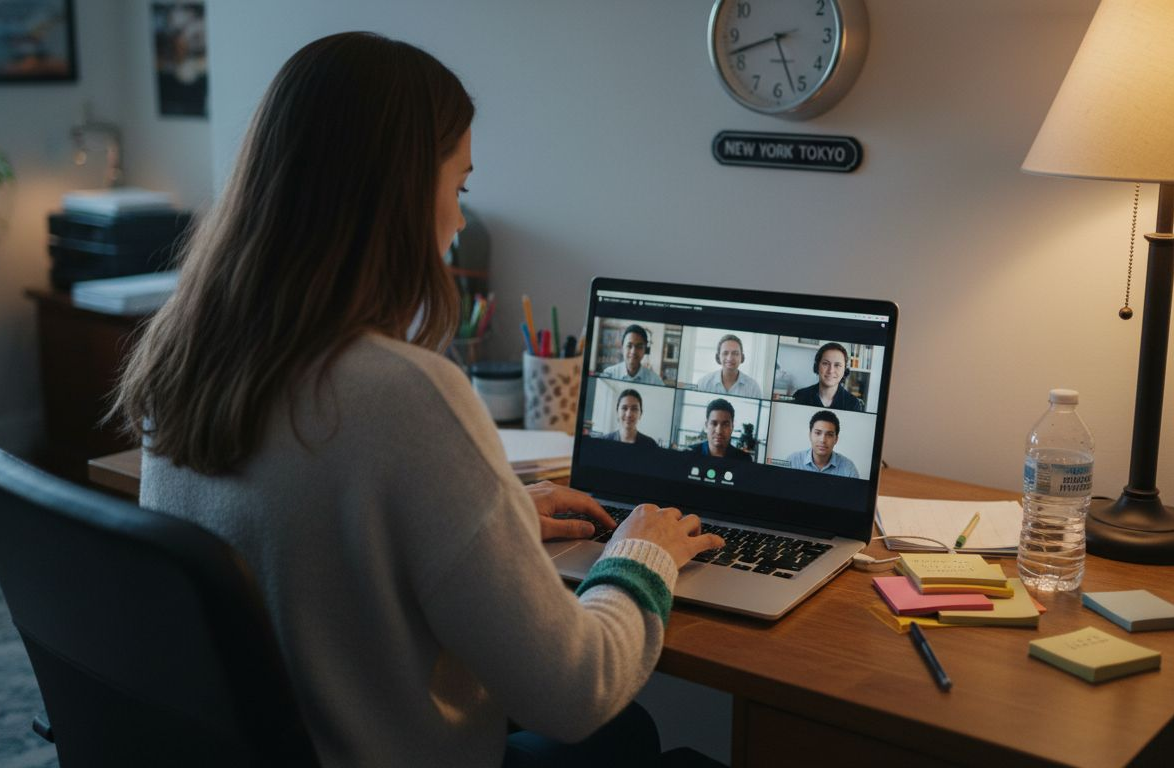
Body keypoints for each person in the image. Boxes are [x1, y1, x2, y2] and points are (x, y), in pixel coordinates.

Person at [110, 32, 723, 767]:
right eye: (458, 188)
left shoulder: (185, 356)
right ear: (397, 197)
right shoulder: (405, 392)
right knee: (636, 738)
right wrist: (642, 555)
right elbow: (575, 691)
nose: (460, 222)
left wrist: (494, 519)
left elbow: (304, 538)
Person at [790, 342, 866, 411]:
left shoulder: (853, 404)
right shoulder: (800, 396)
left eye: (837, 365)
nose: (831, 370)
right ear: (817, 366)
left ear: (844, 370)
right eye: (825, 363)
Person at [785, 410, 860, 478]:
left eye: (829, 434)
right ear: (810, 435)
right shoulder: (793, 461)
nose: (823, 440)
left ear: (836, 439)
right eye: (818, 433)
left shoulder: (848, 468)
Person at [682, 398, 753, 461]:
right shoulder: (689, 454)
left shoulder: (744, 459)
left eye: (725, 424)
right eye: (714, 423)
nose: (719, 431)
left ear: (732, 427)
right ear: (706, 426)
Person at [694, 334, 762, 398]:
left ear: (742, 357)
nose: (729, 358)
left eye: (735, 353)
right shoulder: (704, 383)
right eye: (725, 353)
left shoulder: (753, 387)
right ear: (718, 356)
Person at [592, 389, 659, 447]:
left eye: (634, 409)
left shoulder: (650, 444)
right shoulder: (604, 442)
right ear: (617, 412)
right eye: (624, 408)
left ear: (640, 414)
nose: (629, 414)